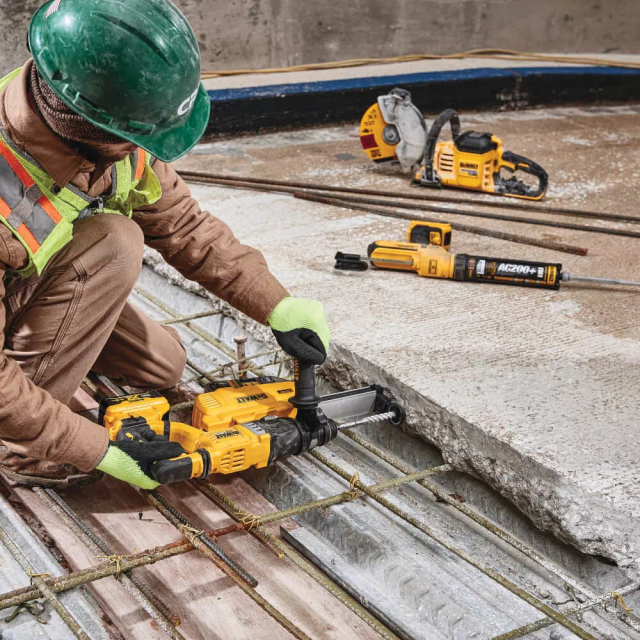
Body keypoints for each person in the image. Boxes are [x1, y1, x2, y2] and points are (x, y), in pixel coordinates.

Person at [0, 0, 330, 490]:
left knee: (164, 364)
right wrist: (94, 448)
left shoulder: (108, 134)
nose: (145, 151)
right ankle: (21, 452)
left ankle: (54, 365)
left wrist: (275, 303)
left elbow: (184, 226)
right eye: (139, 137)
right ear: (91, 125)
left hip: (33, 285)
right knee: (116, 241)